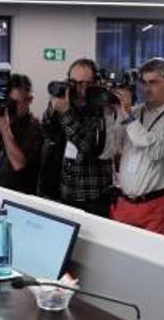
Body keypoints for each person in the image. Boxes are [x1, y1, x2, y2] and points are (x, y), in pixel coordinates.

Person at [104, 58, 164, 236]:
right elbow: (108, 151)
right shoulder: (135, 112)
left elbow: (155, 152)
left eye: (153, 82)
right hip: (123, 203)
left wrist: (129, 118)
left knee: (153, 261)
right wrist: (109, 115)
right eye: (144, 83)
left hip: (155, 206)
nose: (147, 89)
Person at [41, 58, 114, 217]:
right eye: (73, 82)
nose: (78, 88)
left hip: (93, 193)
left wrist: (66, 113)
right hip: (66, 189)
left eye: (84, 83)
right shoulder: (64, 99)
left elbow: (87, 145)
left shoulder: (102, 106)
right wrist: (52, 110)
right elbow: (48, 133)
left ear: (95, 82)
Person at [0, 73, 43, 195]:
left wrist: (5, 129)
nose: (10, 107)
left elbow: (18, 164)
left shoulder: (35, 128)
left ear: (29, 100)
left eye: (15, 103)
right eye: (9, 102)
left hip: (18, 196)